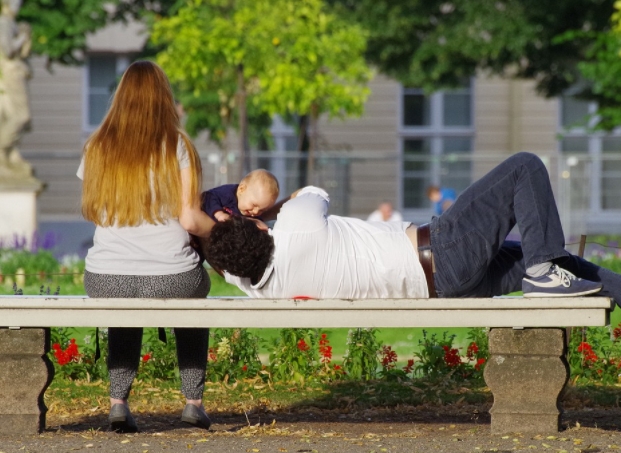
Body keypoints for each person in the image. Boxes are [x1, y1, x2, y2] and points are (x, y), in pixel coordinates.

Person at [200, 152, 621, 305]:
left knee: (552, 258)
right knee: (524, 167)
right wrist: (265, 211)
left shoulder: (256, 285)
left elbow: (226, 263)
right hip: (444, 250)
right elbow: (312, 192)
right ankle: (544, 272)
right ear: (255, 229)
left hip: (448, 287)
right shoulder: (297, 223)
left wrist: (227, 229)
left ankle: (555, 273)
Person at [78, 61, 216, 433]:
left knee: (124, 299)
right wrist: (220, 226)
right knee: (194, 294)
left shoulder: (97, 145)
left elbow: (94, 211)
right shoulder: (177, 145)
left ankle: (118, 403)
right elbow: (190, 220)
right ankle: (192, 403)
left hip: (105, 277)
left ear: (120, 96)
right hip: (172, 277)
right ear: (164, 98)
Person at [0, 0, 32, 177]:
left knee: (18, 116)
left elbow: (24, 53)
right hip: (11, 74)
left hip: (15, 73)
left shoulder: (10, 23)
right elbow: (8, 49)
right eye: (15, 2)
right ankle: (2, 150)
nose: (18, 6)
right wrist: (22, 36)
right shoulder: (4, 23)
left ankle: (10, 153)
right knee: (21, 115)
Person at [202, 169, 279, 222]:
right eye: (254, 205)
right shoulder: (227, 193)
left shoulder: (253, 215)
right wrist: (219, 214)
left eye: (262, 210)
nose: (255, 212)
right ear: (241, 189)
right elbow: (208, 197)